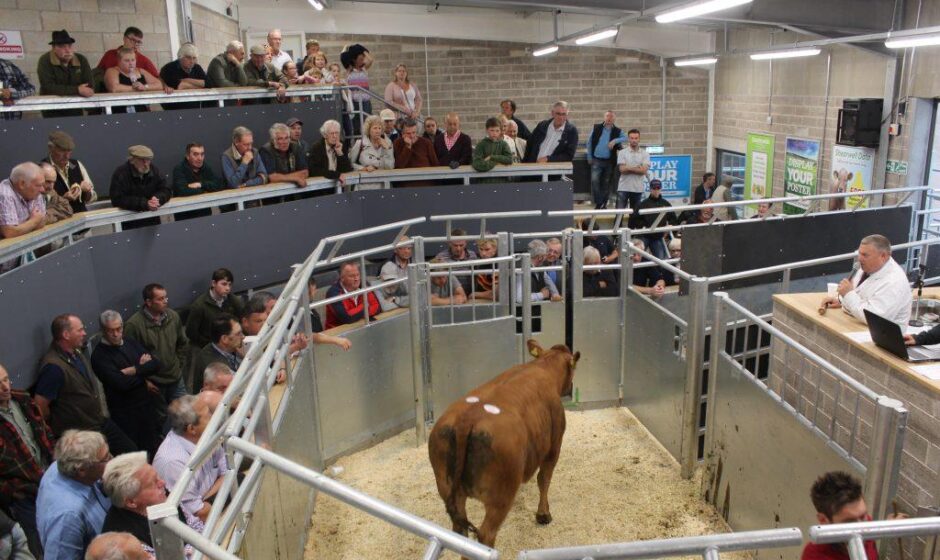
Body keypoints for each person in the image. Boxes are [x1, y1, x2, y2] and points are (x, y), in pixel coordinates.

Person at [35, 314, 137, 452]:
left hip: (98, 422)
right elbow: (40, 407)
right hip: (82, 434)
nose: (84, 333)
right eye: (80, 330)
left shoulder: (76, 353)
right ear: (66, 334)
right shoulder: (53, 367)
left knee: (131, 452)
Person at [101, 451, 203, 557]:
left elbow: (196, 526)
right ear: (131, 502)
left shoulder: (160, 496)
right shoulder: (127, 542)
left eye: (157, 477)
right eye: (153, 483)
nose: (162, 483)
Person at [0, 364, 55, 558]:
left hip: (49, 478)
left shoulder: (23, 399)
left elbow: (45, 433)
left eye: (6, 380)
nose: (5, 387)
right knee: (38, 546)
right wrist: (14, 492)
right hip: (24, 495)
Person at [90, 311, 161, 459]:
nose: (116, 334)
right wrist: (142, 371)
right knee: (135, 454)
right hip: (125, 413)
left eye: (118, 329)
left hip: (146, 407)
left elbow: (155, 364)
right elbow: (120, 383)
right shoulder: (99, 356)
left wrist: (134, 370)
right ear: (103, 330)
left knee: (154, 447)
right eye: (111, 331)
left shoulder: (130, 342)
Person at [36, 430, 112, 559]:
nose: (112, 460)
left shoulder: (62, 463)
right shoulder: (67, 517)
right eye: (106, 459)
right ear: (82, 469)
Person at [152, 393, 227, 522]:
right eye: (208, 415)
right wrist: (224, 487)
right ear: (192, 429)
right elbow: (199, 513)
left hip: (214, 509)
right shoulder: (172, 462)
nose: (214, 417)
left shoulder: (207, 434)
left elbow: (228, 472)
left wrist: (206, 499)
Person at [123, 283, 190, 426]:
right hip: (154, 383)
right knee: (162, 420)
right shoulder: (134, 325)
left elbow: (182, 343)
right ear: (148, 302)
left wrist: (178, 365)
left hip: (175, 377)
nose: (165, 301)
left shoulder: (173, 316)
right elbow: (129, 358)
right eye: (160, 299)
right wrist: (145, 381)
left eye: (165, 297)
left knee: (186, 413)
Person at [820, 234, 912, 327]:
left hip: (883, 338)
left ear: (883, 256)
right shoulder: (868, 267)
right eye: (859, 253)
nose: (860, 258)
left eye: (865, 255)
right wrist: (841, 300)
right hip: (858, 327)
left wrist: (848, 295)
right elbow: (860, 295)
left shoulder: (895, 282)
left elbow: (874, 318)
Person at [801, 471, 891, 560]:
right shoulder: (815, 556)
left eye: (863, 516)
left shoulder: (867, 524)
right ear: (823, 520)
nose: (863, 529)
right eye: (850, 522)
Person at [109, 145, 171, 229]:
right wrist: (144, 203)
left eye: (148, 160)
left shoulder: (154, 170)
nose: (146, 164)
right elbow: (117, 199)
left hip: (152, 220)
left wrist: (157, 199)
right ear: (132, 160)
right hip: (129, 223)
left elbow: (166, 189)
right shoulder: (121, 173)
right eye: (142, 160)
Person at [0, 163, 46, 271]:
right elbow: (10, 232)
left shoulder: (34, 191)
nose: (43, 190)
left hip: (22, 262)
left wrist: (23, 227)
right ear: (21, 184)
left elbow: (42, 221)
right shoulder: (4, 194)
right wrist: (33, 221)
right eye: (39, 185)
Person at [36, 30, 94, 117]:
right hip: (52, 109)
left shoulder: (81, 59)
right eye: (62, 47)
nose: (67, 50)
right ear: (54, 48)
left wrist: (67, 90)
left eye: (70, 46)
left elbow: (90, 85)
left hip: (75, 107)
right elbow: (48, 87)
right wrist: (77, 90)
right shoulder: (45, 60)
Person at [186, 268, 245, 350]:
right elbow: (190, 333)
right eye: (224, 284)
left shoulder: (232, 300)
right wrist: (210, 345)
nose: (228, 288)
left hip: (228, 343)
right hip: (207, 347)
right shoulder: (199, 305)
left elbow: (243, 319)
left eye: (229, 284)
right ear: (213, 283)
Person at [41, 131, 97, 214]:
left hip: (81, 220)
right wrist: (63, 199)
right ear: (50, 148)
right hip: (59, 223)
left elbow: (93, 197)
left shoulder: (75, 164)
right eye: (62, 151)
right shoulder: (43, 169)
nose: (67, 156)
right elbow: (41, 204)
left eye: (69, 151)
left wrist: (87, 191)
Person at [190, 314, 243, 392]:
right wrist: (247, 357)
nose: (243, 337)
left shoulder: (232, 348)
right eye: (238, 334)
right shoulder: (212, 363)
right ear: (225, 339)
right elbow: (238, 386)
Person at [172, 143, 224, 219]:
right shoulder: (179, 169)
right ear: (187, 156)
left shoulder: (205, 167)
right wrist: (206, 190)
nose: (200, 158)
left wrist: (200, 184)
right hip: (185, 216)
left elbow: (220, 185)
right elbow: (182, 191)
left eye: (202, 154)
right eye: (195, 154)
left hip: (205, 214)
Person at [103, 47, 163, 113]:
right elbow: (114, 88)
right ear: (119, 61)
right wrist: (135, 88)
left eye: (133, 60)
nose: (131, 63)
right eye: (127, 60)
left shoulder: (140, 71)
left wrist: (145, 87)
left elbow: (159, 85)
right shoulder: (112, 71)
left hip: (142, 111)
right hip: (120, 111)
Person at [587, 111, 627, 209]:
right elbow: (589, 142)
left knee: (606, 183)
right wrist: (589, 156)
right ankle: (599, 202)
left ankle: (603, 204)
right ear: (604, 117)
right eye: (607, 116)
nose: (609, 119)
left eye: (611, 117)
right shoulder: (596, 128)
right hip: (596, 160)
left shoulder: (617, 131)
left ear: (614, 119)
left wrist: (615, 140)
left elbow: (626, 138)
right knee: (595, 181)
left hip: (609, 161)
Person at [324, 262, 382, 329]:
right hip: (337, 333)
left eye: (358, 275)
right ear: (342, 278)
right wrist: (365, 306)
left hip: (359, 326)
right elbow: (347, 318)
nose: (356, 279)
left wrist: (357, 313)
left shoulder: (364, 284)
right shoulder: (333, 293)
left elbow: (377, 308)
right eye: (352, 276)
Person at [630, 179, 676, 260]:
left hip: (658, 237)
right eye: (654, 188)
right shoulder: (643, 204)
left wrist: (668, 227)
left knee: (662, 261)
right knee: (637, 257)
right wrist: (643, 226)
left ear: (661, 189)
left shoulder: (666, 203)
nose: (656, 190)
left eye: (658, 188)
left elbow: (674, 219)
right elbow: (634, 219)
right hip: (644, 235)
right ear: (650, 189)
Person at [159, 43, 207, 110]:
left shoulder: (197, 67)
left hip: (194, 108)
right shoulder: (169, 68)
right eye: (188, 57)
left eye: (194, 58)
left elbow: (208, 83)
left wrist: (187, 81)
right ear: (180, 57)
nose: (192, 61)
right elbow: (179, 86)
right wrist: (200, 85)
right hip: (174, 109)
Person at [260, 123, 309, 188]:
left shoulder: (295, 147)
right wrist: (295, 178)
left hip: (295, 190)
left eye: (286, 138)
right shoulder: (266, 150)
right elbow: (272, 177)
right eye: (280, 138)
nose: (285, 142)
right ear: (273, 140)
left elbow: (305, 172)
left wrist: (281, 177)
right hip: (274, 191)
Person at [350, 115, 395, 184]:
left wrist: (387, 149)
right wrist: (363, 168)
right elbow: (349, 163)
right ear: (369, 130)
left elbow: (390, 167)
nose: (378, 131)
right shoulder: (360, 143)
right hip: (365, 186)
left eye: (379, 128)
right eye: (375, 128)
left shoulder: (388, 143)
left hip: (384, 185)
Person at [394, 119, 439, 186]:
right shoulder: (398, 143)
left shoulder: (426, 143)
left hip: (426, 183)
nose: (412, 136)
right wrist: (408, 147)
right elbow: (398, 166)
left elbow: (435, 164)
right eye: (408, 133)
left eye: (414, 132)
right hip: (406, 184)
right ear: (402, 134)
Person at [340, 44, 373, 135]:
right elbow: (343, 57)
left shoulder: (364, 69)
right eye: (360, 59)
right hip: (355, 101)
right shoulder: (349, 70)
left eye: (363, 58)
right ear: (354, 59)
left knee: (367, 124)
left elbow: (370, 59)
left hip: (365, 101)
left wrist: (362, 49)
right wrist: (347, 49)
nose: (363, 60)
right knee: (357, 126)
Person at [435, 228, 479, 294]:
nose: (458, 248)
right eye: (455, 245)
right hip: (450, 297)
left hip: (470, 295)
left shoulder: (473, 255)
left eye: (461, 245)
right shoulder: (441, 257)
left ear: (466, 243)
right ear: (449, 243)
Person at [616, 128, 650, 211]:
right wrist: (637, 167)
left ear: (639, 139)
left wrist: (628, 167)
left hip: (637, 189)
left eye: (636, 138)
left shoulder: (645, 154)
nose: (634, 140)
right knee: (619, 214)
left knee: (635, 216)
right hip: (623, 188)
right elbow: (622, 170)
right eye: (632, 138)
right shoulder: (622, 152)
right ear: (628, 139)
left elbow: (643, 171)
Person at [379, 235, 412, 308]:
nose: (406, 251)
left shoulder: (415, 264)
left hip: (404, 301)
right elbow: (397, 291)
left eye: (409, 248)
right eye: (402, 248)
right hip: (393, 304)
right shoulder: (388, 266)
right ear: (395, 250)